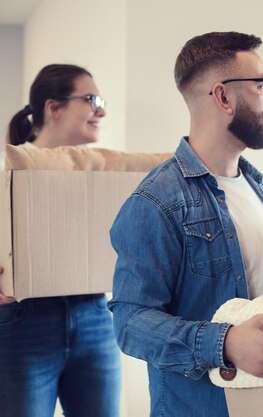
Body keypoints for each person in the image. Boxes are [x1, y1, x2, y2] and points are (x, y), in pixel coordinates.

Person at [107, 32, 263, 417]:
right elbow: (130, 324)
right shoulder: (156, 201)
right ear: (223, 97)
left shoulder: (256, 185)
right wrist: (225, 343)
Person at [0, 64, 121, 416]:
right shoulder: (6, 169)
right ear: (54, 108)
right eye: (91, 99)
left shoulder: (104, 174)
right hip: (22, 323)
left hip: (95, 315)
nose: (101, 110)